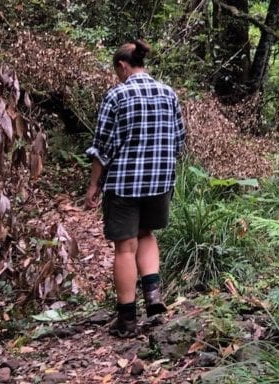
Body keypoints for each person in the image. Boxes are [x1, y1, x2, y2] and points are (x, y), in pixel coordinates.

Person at [85, 39, 185, 338]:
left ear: (122, 65)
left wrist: (93, 184)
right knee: (147, 234)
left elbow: (103, 146)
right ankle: (153, 296)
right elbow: (179, 140)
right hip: (159, 182)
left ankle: (127, 319)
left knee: (124, 247)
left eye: (117, 70)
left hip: (124, 184)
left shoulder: (117, 95)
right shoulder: (168, 93)